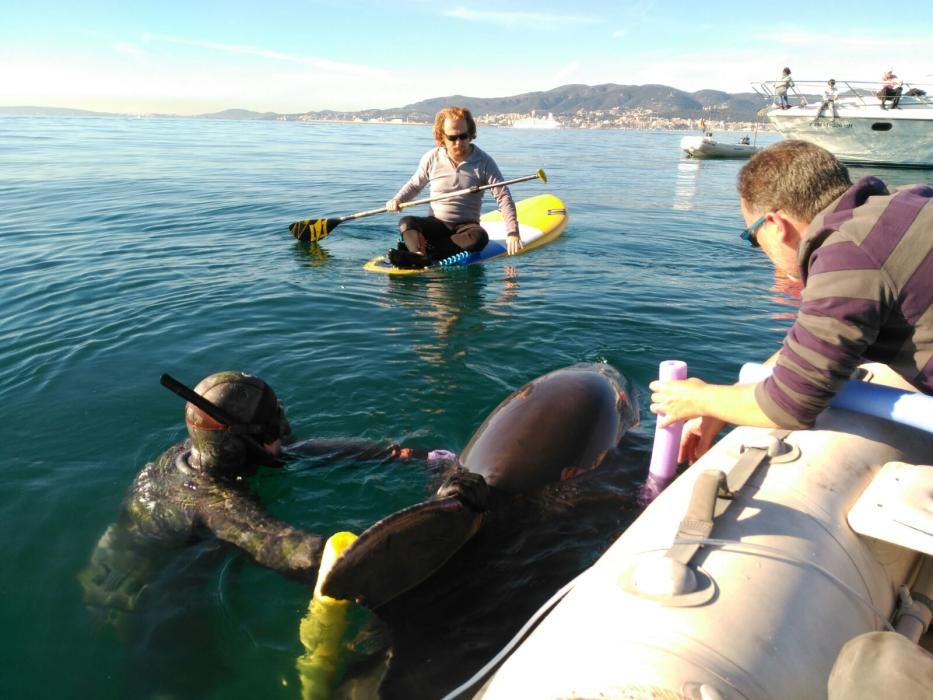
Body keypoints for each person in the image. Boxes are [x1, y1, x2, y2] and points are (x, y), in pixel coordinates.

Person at [79, 371, 450, 633]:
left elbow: (293, 452)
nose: (284, 434)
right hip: (138, 601)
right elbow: (302, 556)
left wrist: (401, 454)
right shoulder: (215, 503)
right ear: (240, 443)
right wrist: (427, 556)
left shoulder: (195, 455)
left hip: (124, 568)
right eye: (274, 428)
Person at [649, 140, 933, 464]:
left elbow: (792, 405)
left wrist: (700, 399)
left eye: (752, 239)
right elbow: (815, 346)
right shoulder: (905, 205)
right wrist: (721, 405)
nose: (761, 250)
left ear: (775, 225)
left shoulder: (848, 255)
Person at [384, 106, 521, 269]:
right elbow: (414, 185)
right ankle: (418, 255)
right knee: (407, 222)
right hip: (436, 224)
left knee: (480, 237)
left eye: (463, 136)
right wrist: (398, 199)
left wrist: (512, 233)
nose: (459, 143)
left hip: (465, 228)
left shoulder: (484, 162)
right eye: (452, 137)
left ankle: (426, 253)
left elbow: (503, 196)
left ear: (470, 133)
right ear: (442, 137)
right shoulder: (432, 158)